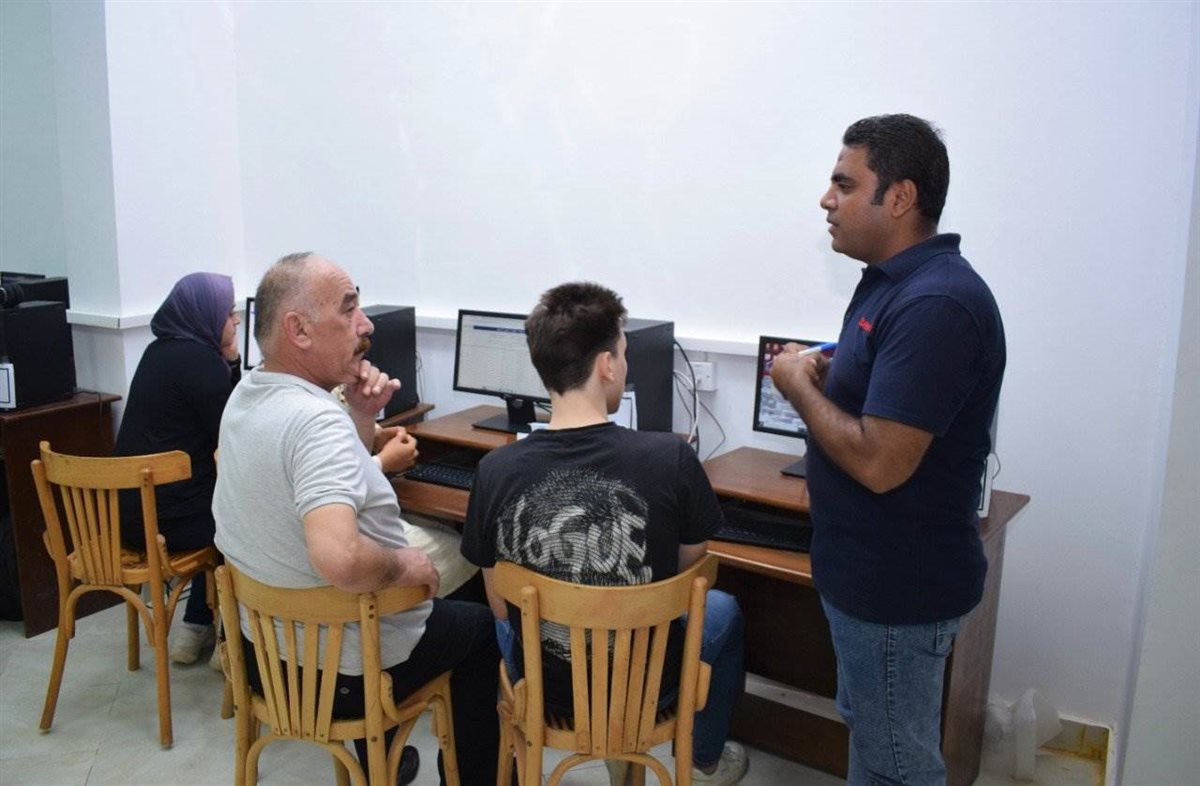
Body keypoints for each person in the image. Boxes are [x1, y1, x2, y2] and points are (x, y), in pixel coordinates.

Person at [770, 114, 1006, 786]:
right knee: (877, 746)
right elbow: (886, 395)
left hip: (898, 592)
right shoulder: (890, 283)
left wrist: (797, 387)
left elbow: (880, 463)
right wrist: (829, 372)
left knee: (900, 764)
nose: (826, 200)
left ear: (899, 198)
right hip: (865, 579)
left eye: (845, 184)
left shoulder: (937, 303)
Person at [213, 252, 498, 786]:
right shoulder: (314, 421)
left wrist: (362, 416)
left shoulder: (247, 396)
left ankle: (382, 759)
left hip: (266, 660)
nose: (365, 325)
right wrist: (404, 564)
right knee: (480, 626)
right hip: (341, 674)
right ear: (298, 330)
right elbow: (342, 559)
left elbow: (333, 481)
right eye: (348, 310)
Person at [461, 282, 748, 786]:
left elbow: (501, 607)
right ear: (607, 365)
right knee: (724, 608)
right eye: (624, 353)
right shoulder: (673, 458)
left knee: (508, 619)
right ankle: (704, 758)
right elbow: (687, 573)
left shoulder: (495, 470)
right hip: (647, 685)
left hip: (547, 689)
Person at [114, 272, 240, 666]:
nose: (236, 320)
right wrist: (232, 361)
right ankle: (229, 639)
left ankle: (195, 626)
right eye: (229, 313)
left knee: (211, 501)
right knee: (241, 518)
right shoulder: (202, 363)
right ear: (206, 316)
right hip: (170, 528)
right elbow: (232, 432)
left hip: (128, 520)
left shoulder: (156, 353)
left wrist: (229, 360)